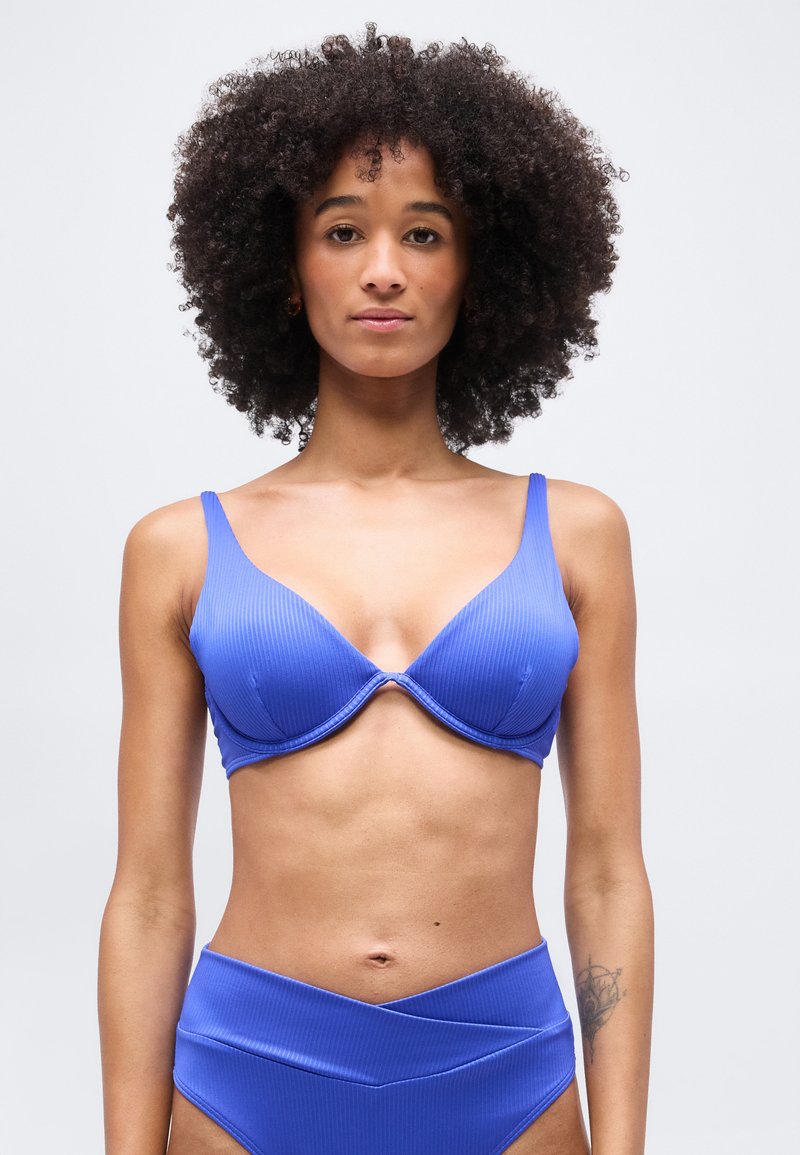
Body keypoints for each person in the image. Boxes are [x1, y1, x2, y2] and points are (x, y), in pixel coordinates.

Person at [98, 23, 654, 1155]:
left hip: (505, 1075)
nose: (384, 269)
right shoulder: (179, 549)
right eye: (343, 230)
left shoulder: (577, 536)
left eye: (424, 232)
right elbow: (149, 893)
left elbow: (606, 873)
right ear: (283, 265)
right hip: (249, 1076)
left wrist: (627, 1142)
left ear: (480, 268)